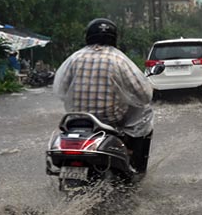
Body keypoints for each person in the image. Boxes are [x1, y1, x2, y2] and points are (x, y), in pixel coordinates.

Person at [53, 18, 155, 174]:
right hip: (109, 122)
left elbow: (60, 90)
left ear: (88, 36)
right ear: (114, 37)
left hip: (76, 120)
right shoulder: (119, 60)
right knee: (146, 112)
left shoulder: (74, 58)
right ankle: (135, 167)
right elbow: (144, 95)